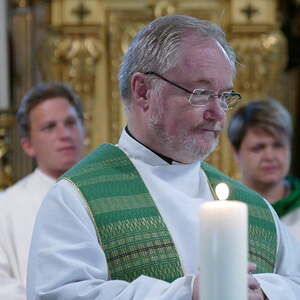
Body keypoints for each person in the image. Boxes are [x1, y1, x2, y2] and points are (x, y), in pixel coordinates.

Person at [27, 15, 300, 300]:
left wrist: (265, 292)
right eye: (202, 92)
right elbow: (59, 294)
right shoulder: (76, 198)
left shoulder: (252, 207)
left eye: (224, 96)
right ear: (143, 91)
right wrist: (187, 293)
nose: (219, 113)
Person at [0, 82, 85, 300]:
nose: (64, 134)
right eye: (49, 127)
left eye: (71, 122)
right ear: (27, 145)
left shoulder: (111, 193)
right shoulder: (6, 207)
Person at [228, 98, 300, 241]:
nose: (270, 156)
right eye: (258, 148)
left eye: (278, 145)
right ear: (236, 153)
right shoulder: (223, 208)